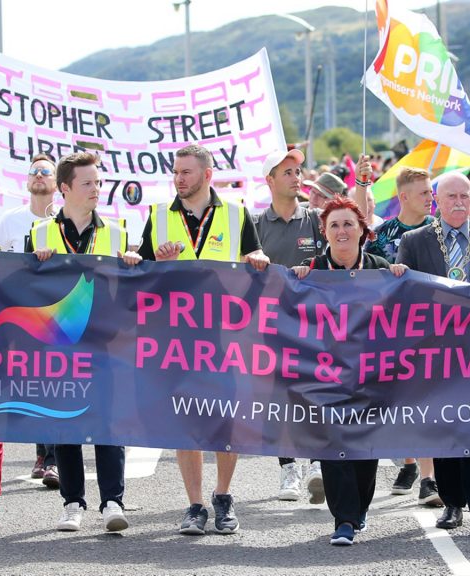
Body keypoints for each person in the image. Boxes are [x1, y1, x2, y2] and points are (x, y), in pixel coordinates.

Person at [140, 143, 270, 536]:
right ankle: (195, 504)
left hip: (225, 335)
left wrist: (259, 258)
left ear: (207, 175)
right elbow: (142, 276)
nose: (179, 179)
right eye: (176, 172)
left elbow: (255, 256)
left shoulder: (235, 213)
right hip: (178, 338)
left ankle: (223, 496)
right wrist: (155, 263)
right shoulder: (158, 216)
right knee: (187, 422)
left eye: (186, 172)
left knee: (225, 422)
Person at [27, 152, 142, 533]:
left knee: (109, 422)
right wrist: (35, 263)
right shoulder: (40, 233)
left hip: (106, 342)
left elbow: (133, 291)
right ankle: (73, 502)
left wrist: (132, 264)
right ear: (64, 189)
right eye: (88, 183)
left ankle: (113, 500)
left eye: (98, 182)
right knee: (66, 425)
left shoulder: (118, 232)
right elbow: (25, 290)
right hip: (59, 343)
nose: (97, 189)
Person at [397, 172, 470, 534]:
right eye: (452, 197)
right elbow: (405, 295)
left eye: (465, 196)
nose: (460, 203)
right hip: (436, 352)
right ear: (437, 199)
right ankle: (451, 504)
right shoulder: (415, 241)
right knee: (444, 426)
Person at [291, 196, 408, 545]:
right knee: (334, 443)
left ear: (362, 230)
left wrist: (401, 278)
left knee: (365, 448)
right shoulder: (311, 270)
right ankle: (343, 519)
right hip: (325, 375)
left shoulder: (380, 268)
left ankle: (358, 512)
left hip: (372, 374)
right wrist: (293, 279)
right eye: (334, 225)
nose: (341, 231)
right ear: (324, 232)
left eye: (348, 224)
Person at [356, 161, 441, 506]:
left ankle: (429, 479)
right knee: (396, 402)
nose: (431, 199)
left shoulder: (439, 232)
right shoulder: (383, 235)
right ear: (403, 197)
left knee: (424, 402)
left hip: (431, 330)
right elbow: (360, 226)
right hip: (390, 331)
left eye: (432, 192)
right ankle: (409, 463)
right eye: (424, 193)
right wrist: (363, 180)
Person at [251, 148, 326, 503]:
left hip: (313, 324)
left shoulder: (314, 219)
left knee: (311, 393)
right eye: (288, 172)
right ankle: (287, 468)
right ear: (270, 180)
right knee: (279, 397)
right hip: (271, 326)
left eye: (298, 171)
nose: (297, 177)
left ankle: (315, 463)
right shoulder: (255, 225)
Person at [0, 153, 60, 487]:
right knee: (35, 388)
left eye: (46, 171)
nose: (39, 176)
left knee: (56, 386)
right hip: (21, 316)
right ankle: (43, 452)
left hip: (59, 316)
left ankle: (53, 458)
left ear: (57, 182)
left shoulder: (64, 219)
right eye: (34, 172)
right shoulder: (11, 220)